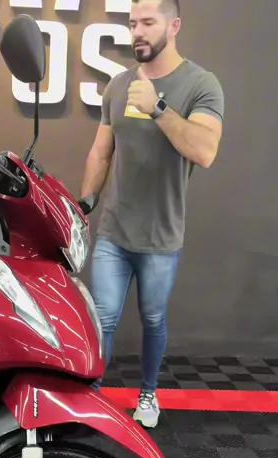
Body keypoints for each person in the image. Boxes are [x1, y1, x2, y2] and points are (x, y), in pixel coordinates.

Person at [81, 0, 224, 428]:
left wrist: (158, 108)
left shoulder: (201, 84)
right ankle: (90, 397)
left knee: (154, 318)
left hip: (162, 238)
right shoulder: (119, 85)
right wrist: (84, 203)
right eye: (132, 24)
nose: (137, 32)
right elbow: (100, 152)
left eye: (147, 22)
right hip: (114, 231)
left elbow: (205, 151)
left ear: (173, 25)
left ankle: (148, 393)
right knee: (102, 318)